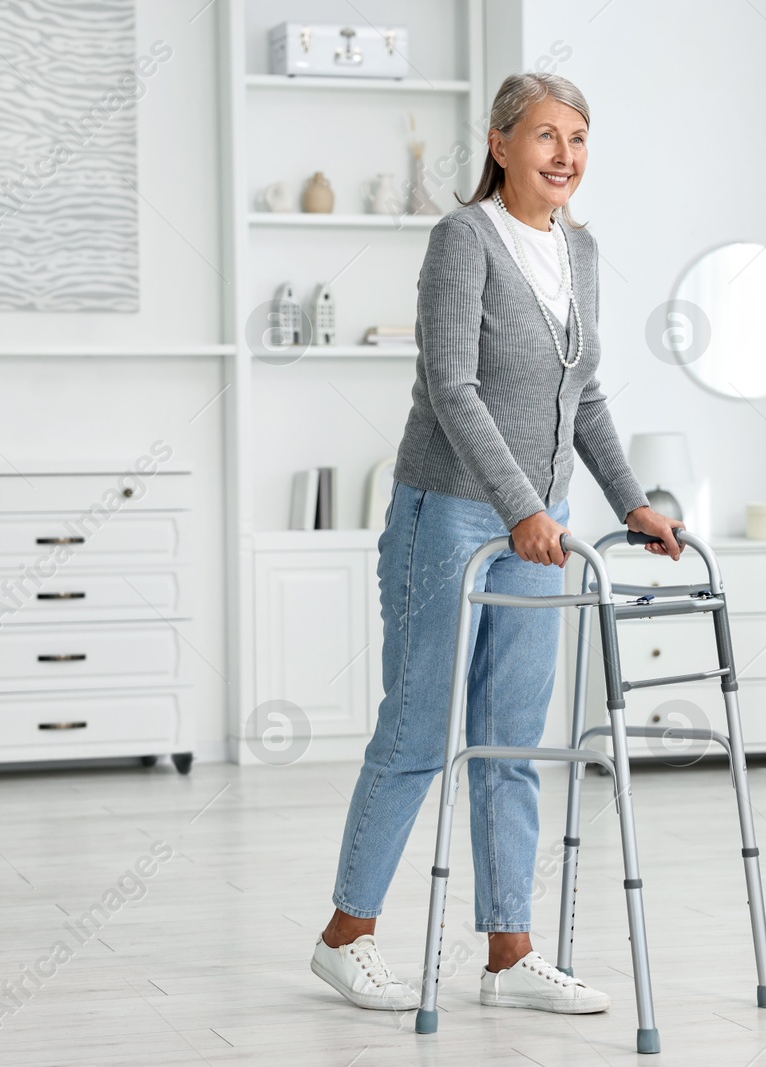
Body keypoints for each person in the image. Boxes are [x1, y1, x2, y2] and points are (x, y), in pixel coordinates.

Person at [310, 72, 683, 1016]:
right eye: (548, 136)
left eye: (581, 138)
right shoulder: (462, 240)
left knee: (513, 739)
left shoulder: (581, 250)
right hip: (452, 512)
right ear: (501, 142)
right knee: (421, 730)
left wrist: (632, 502)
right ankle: (346, 936)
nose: (567, 155)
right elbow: (452, 387)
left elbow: (582, 396)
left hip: (539, 527)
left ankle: (510, 951)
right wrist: (521, 505)